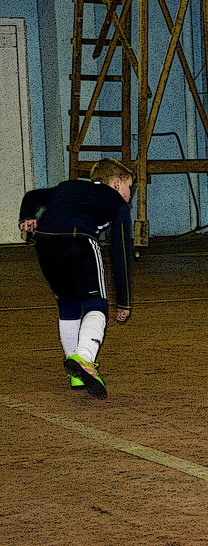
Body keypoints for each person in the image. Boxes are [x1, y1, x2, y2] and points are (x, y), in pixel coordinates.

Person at [18, 158, 136, 399]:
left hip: (45, 242)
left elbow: (32, 196)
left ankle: (75, 372)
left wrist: (27, 216)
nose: (129, 195)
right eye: (129, 187)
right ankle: (84, 357)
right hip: (79, 240)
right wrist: (124, 300)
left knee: (68, 304)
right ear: (116, 183)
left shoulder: (67, 186)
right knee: (96, 305)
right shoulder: (117, 202)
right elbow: (121, 250)